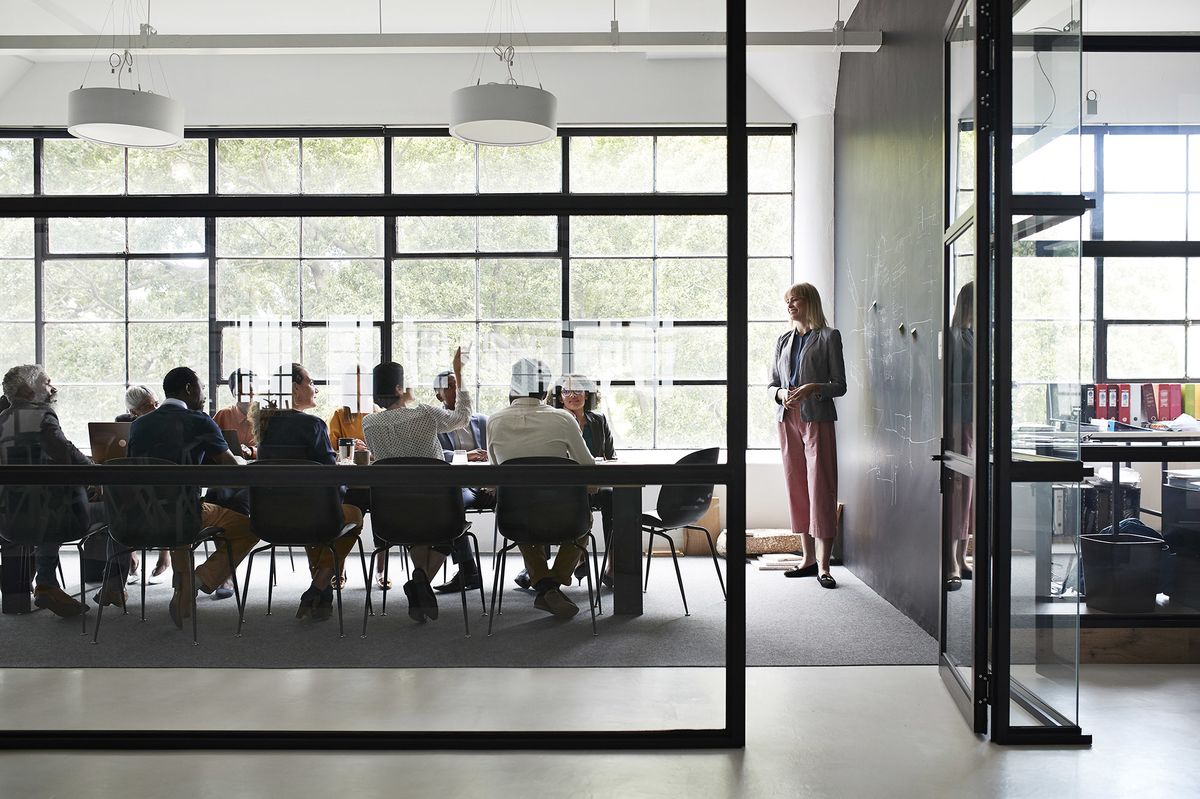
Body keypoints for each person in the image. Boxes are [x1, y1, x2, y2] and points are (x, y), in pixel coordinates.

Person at [126, 367, 258, 629]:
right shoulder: (199, 420)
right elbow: (231, 470)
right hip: (184, 514)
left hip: (141, 516)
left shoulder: (139, 425)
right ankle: (196, 581)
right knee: (251, 527)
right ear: (188, 389)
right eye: (201, 387)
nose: (203, 393)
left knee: (182, 517)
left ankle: (185, 584)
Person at [0, 364, 130, 616]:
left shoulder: (2, 420)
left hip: (8, 520)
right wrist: (96, 475)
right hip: (56, 517)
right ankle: (113, 584)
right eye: (47, 382)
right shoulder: (42, 416)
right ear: (29, 389)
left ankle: (46, 584)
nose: (53, 387)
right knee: (119, 510)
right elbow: (68, 454)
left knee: (46, 505)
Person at [362, 349, 471, 623]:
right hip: (437, 508)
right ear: (399, 388)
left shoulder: (369, 423)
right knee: (449, 531)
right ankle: (419, 580)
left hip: (394, 514)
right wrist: (459, 374)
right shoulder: (424, 414)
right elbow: (463, 418)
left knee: (416, 529)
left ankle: (419, 582)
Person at [252, 363, 365, 622]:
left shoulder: (264, 424)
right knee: (353, 514)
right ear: (295, 388)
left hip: (271, 518)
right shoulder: (313, 425)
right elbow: (330, 477)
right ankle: (319, 585)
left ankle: (322, 595)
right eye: (311, 382)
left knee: (309, 516)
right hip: (313, 517)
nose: (315, 389)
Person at [487, 358, 596, 619]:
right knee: (584, 522)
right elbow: (588, 467)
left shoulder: (494, 421)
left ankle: (546, 586)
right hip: (566, 516)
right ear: (545, 389)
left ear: (512, 386)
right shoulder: (562, 420)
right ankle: (553, 584)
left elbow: (493, 479)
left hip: (515, 518)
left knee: (520, 514)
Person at [769, 283, 846, 589]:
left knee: (821, 487)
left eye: (794, 299)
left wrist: (814, 388)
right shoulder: (783, 340)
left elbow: (839, 385)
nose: (789, 305)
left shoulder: (829, 337)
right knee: (796, 487)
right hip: (787, 417)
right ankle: (807, 559)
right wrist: (779, 395)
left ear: (808, 301)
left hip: (817, 418)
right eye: (787, 300)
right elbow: (772, 383)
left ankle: (825, 566)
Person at [551, 374, 615, 586]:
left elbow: (610, 457)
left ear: (587, 395)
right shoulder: (553, 421)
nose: (573, 395)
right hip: (565, 487)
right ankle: (579, 556)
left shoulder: (599, 420)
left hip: (594, 485)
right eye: (567, 391)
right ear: (560, 398)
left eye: (578, 390)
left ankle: (612, 564)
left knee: (612, 498)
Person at [431, 368, 491, 594]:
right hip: (461, 485)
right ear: (438, 395)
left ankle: (533, 568)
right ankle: (468, 568)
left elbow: (498, 450)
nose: (456, 390)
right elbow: (436, 454)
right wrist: (467, 456)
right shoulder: (434, 423)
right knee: (451, 505)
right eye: (449, 387)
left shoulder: (483, 420)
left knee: (523, 496)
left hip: (490, 483)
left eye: (458, 385)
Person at [115, 385, 170, 582]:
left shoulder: (165, 422)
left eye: (156, 403)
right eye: (148, 406)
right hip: (136, 478)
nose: (155, 408)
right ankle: (129, 554)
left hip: (161, 479)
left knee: (162, 495)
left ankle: (165, 555)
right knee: (119, 496)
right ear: (133, 412)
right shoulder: (123, 424)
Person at [946, 282, 975, 591]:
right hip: (959, 420)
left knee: (969, 492)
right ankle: (952, 561)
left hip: (973, 420)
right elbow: (948, 383)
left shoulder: (971, 335)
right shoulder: (955, 337)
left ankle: (962, 557)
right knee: (959, 489)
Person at [213, 370, 257, 459]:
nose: (245, 395)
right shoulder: (223, 415)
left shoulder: (265, 416)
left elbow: (272, 448)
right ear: (233, 394)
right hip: (229, 469)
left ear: (256, 391)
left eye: (249, 390)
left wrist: (251, 451)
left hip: (261, 469)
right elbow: (210, 444)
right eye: (239, 392)